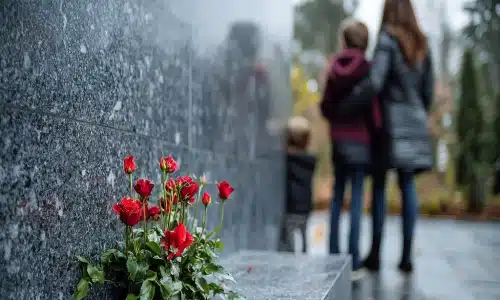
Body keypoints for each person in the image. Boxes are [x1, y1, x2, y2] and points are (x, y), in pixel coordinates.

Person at [333, 0, 434, 274]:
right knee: (408, 185)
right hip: (415, 121)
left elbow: (375, 82)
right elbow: (428, 91)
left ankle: (375, 255)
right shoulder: (422, 42)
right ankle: (406, 256)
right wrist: (419, 116)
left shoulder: (387, 39)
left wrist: (345, 106)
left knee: (379, 185)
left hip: (389, 125)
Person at [320, 18, 381, 280]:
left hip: (339, 141)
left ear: (343, 40)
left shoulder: (333, 69)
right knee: (357, 200)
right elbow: (374, 113)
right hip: (362, 142)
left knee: (336, 197)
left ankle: (333, 256)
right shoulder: (368, 69)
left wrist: (336, 118)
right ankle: (353, 261)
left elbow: (325, 106)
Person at [279, 116, 316, 253]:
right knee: (304, 234)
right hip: (306, 207)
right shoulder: (311, 161)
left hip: (292, 206)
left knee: (289, 236)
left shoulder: (289, 160)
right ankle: (305, 253)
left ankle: (291, 256)